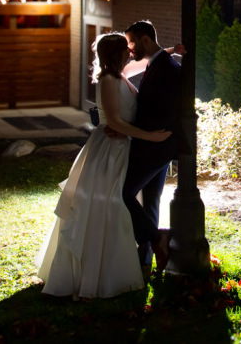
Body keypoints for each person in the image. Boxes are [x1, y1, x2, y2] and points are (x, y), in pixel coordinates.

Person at [35, 32, 171, 299]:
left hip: (124, 147)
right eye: (126, 49)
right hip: (110, 151)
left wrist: (168, 50)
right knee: (107, 204)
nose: (130, 53)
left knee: (116, 206)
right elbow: (114, 122)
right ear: (116, 53)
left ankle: (131, 258)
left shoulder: (120, 74)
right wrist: (150, 136)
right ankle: (98, 272)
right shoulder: (108, 80)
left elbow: (146, 63)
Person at [121, 20, 181, 277]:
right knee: (150, 204)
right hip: (158, 146)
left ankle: (157, 240)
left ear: (145, 39)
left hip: (155, 146)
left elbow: (161, 110)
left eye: (132, 43)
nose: (130, 49)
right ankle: (145, 261)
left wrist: (130, 129)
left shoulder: (167, 68)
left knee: (124, 193)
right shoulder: (157, 62)